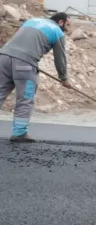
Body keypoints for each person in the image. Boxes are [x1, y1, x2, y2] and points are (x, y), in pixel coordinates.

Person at [0, 12, 72, 142]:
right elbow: (60, 58)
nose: (67, 29)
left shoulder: (31, 21)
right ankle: (19, 133)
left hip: (3, 58)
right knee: (25, 98)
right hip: (24, 65)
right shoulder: (57, 32)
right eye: (67, 25)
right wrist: (64, 78)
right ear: (61, 22)